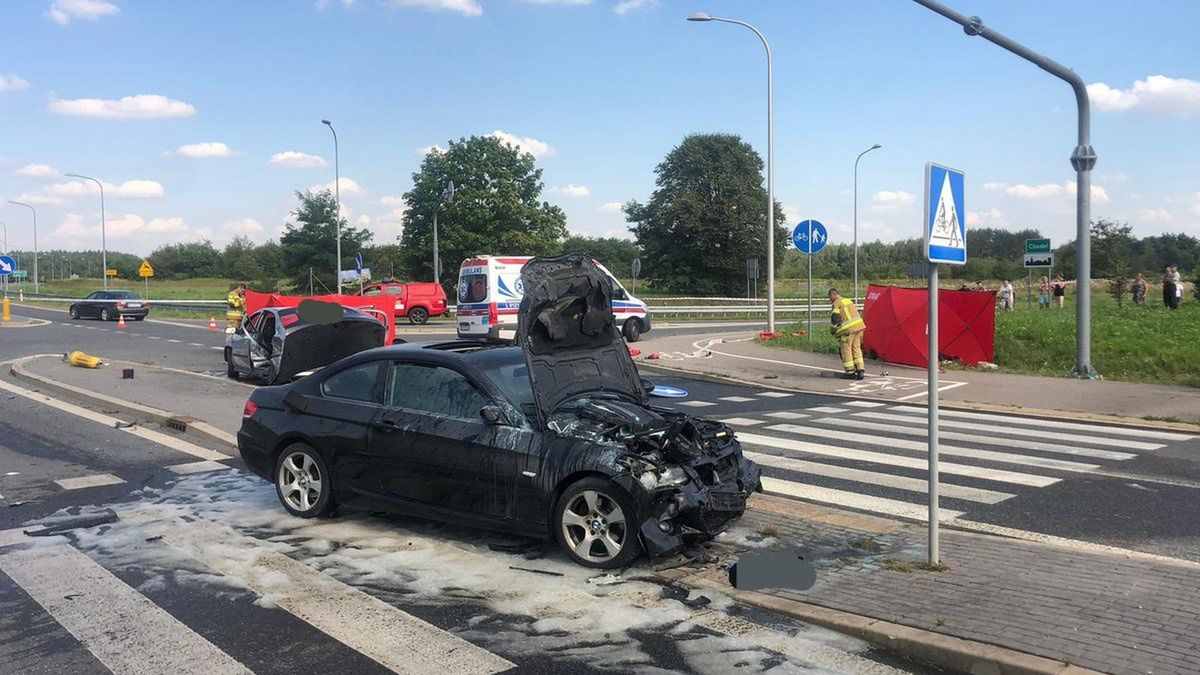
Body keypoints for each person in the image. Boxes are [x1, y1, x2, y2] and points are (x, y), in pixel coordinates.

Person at [828, 288, 866, 380]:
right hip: (859, 327)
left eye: (830, 298)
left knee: (846, 350)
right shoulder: (847, 300)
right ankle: (860, 370)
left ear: (832, 295)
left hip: (847, 331)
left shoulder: (836, 303)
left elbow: (835, 318)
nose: (830, 300)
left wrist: (833, 330)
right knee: (856, 348)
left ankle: (850, 372)